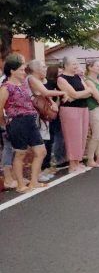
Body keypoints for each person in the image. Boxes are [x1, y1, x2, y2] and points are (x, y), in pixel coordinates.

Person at [0, 54, 47, 192]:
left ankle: (33, 182)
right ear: (12, 71)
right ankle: (20, 185)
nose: (23, 72)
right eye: (21, 70)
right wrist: (4, 124)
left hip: (30, 121)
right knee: (20, 153)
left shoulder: (23, 85)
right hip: (17, 122)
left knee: (41, 151)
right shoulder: (6, 87)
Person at [26, 60, 66, 181]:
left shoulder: (36, 79)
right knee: (38, 146)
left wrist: (53, 102)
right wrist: (64, 92)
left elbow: (45, 96)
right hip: (34, 115)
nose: (45, 69)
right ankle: (36, 174)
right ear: (36, 69)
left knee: (42, 144)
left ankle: (39, 172)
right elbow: (46, 92)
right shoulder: (31, 78)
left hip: (40, 116)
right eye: (43, 67)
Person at [57, 56, 92, 174]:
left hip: (83, 108)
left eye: (77, 64)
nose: (76, 66)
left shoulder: (78, 77)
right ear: (66, 65)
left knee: (82, 136)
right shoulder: (61, 79)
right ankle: (72, 164)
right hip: (70, 110)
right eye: (73, 64)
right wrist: (79, 94)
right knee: (73, 137)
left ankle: (78, 161)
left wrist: (78, 94)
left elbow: (89, 92)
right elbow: (75, 94)